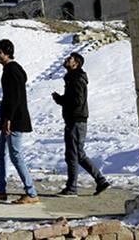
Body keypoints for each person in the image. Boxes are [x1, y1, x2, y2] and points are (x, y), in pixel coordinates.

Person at [0, 39, 40, 204]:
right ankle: (0, 190)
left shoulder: (11, 70)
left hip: (14, 119)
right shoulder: (12, 69)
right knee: (0, 154)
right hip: (9, 118)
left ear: (6, 52)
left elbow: (13, 97)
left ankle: (31, 192)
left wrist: (8, 119)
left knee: (16, 155)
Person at [51, 52, 110, 197]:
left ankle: (72, 188)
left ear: (75, 63)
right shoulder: (73, 78)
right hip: (76, 120)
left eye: (69, 59)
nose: (66, 60)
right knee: (78, 154)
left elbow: (77, 100)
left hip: (76, 120)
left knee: (73, 154)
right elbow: (74, 98)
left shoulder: (76, 78)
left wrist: (62, 100)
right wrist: (60, 99)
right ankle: (101, 181)